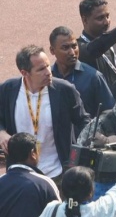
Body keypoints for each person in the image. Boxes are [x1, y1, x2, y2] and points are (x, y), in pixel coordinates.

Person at [0, 45, 90, 181]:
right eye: (41, 69)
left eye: (48, 66)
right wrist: (1, 132)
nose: (48, 72)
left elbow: (84, 121)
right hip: (21, 174)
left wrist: (80, 150)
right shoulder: (8, 89)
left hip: (58, 173)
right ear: (24, 73)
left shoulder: (64, 90)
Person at [49, 26, 114, 118]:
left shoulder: (94, 77)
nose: (72, 52)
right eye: (65, 48)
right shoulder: (48, 78)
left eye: (74, 46)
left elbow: (109, 111)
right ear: (52, 50)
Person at [77, 0, 116, 86]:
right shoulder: (79, 48)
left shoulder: (114, 45)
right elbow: (95, 47)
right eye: (100, 18)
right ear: (85, 20)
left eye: (107, 16)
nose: (106, 22)